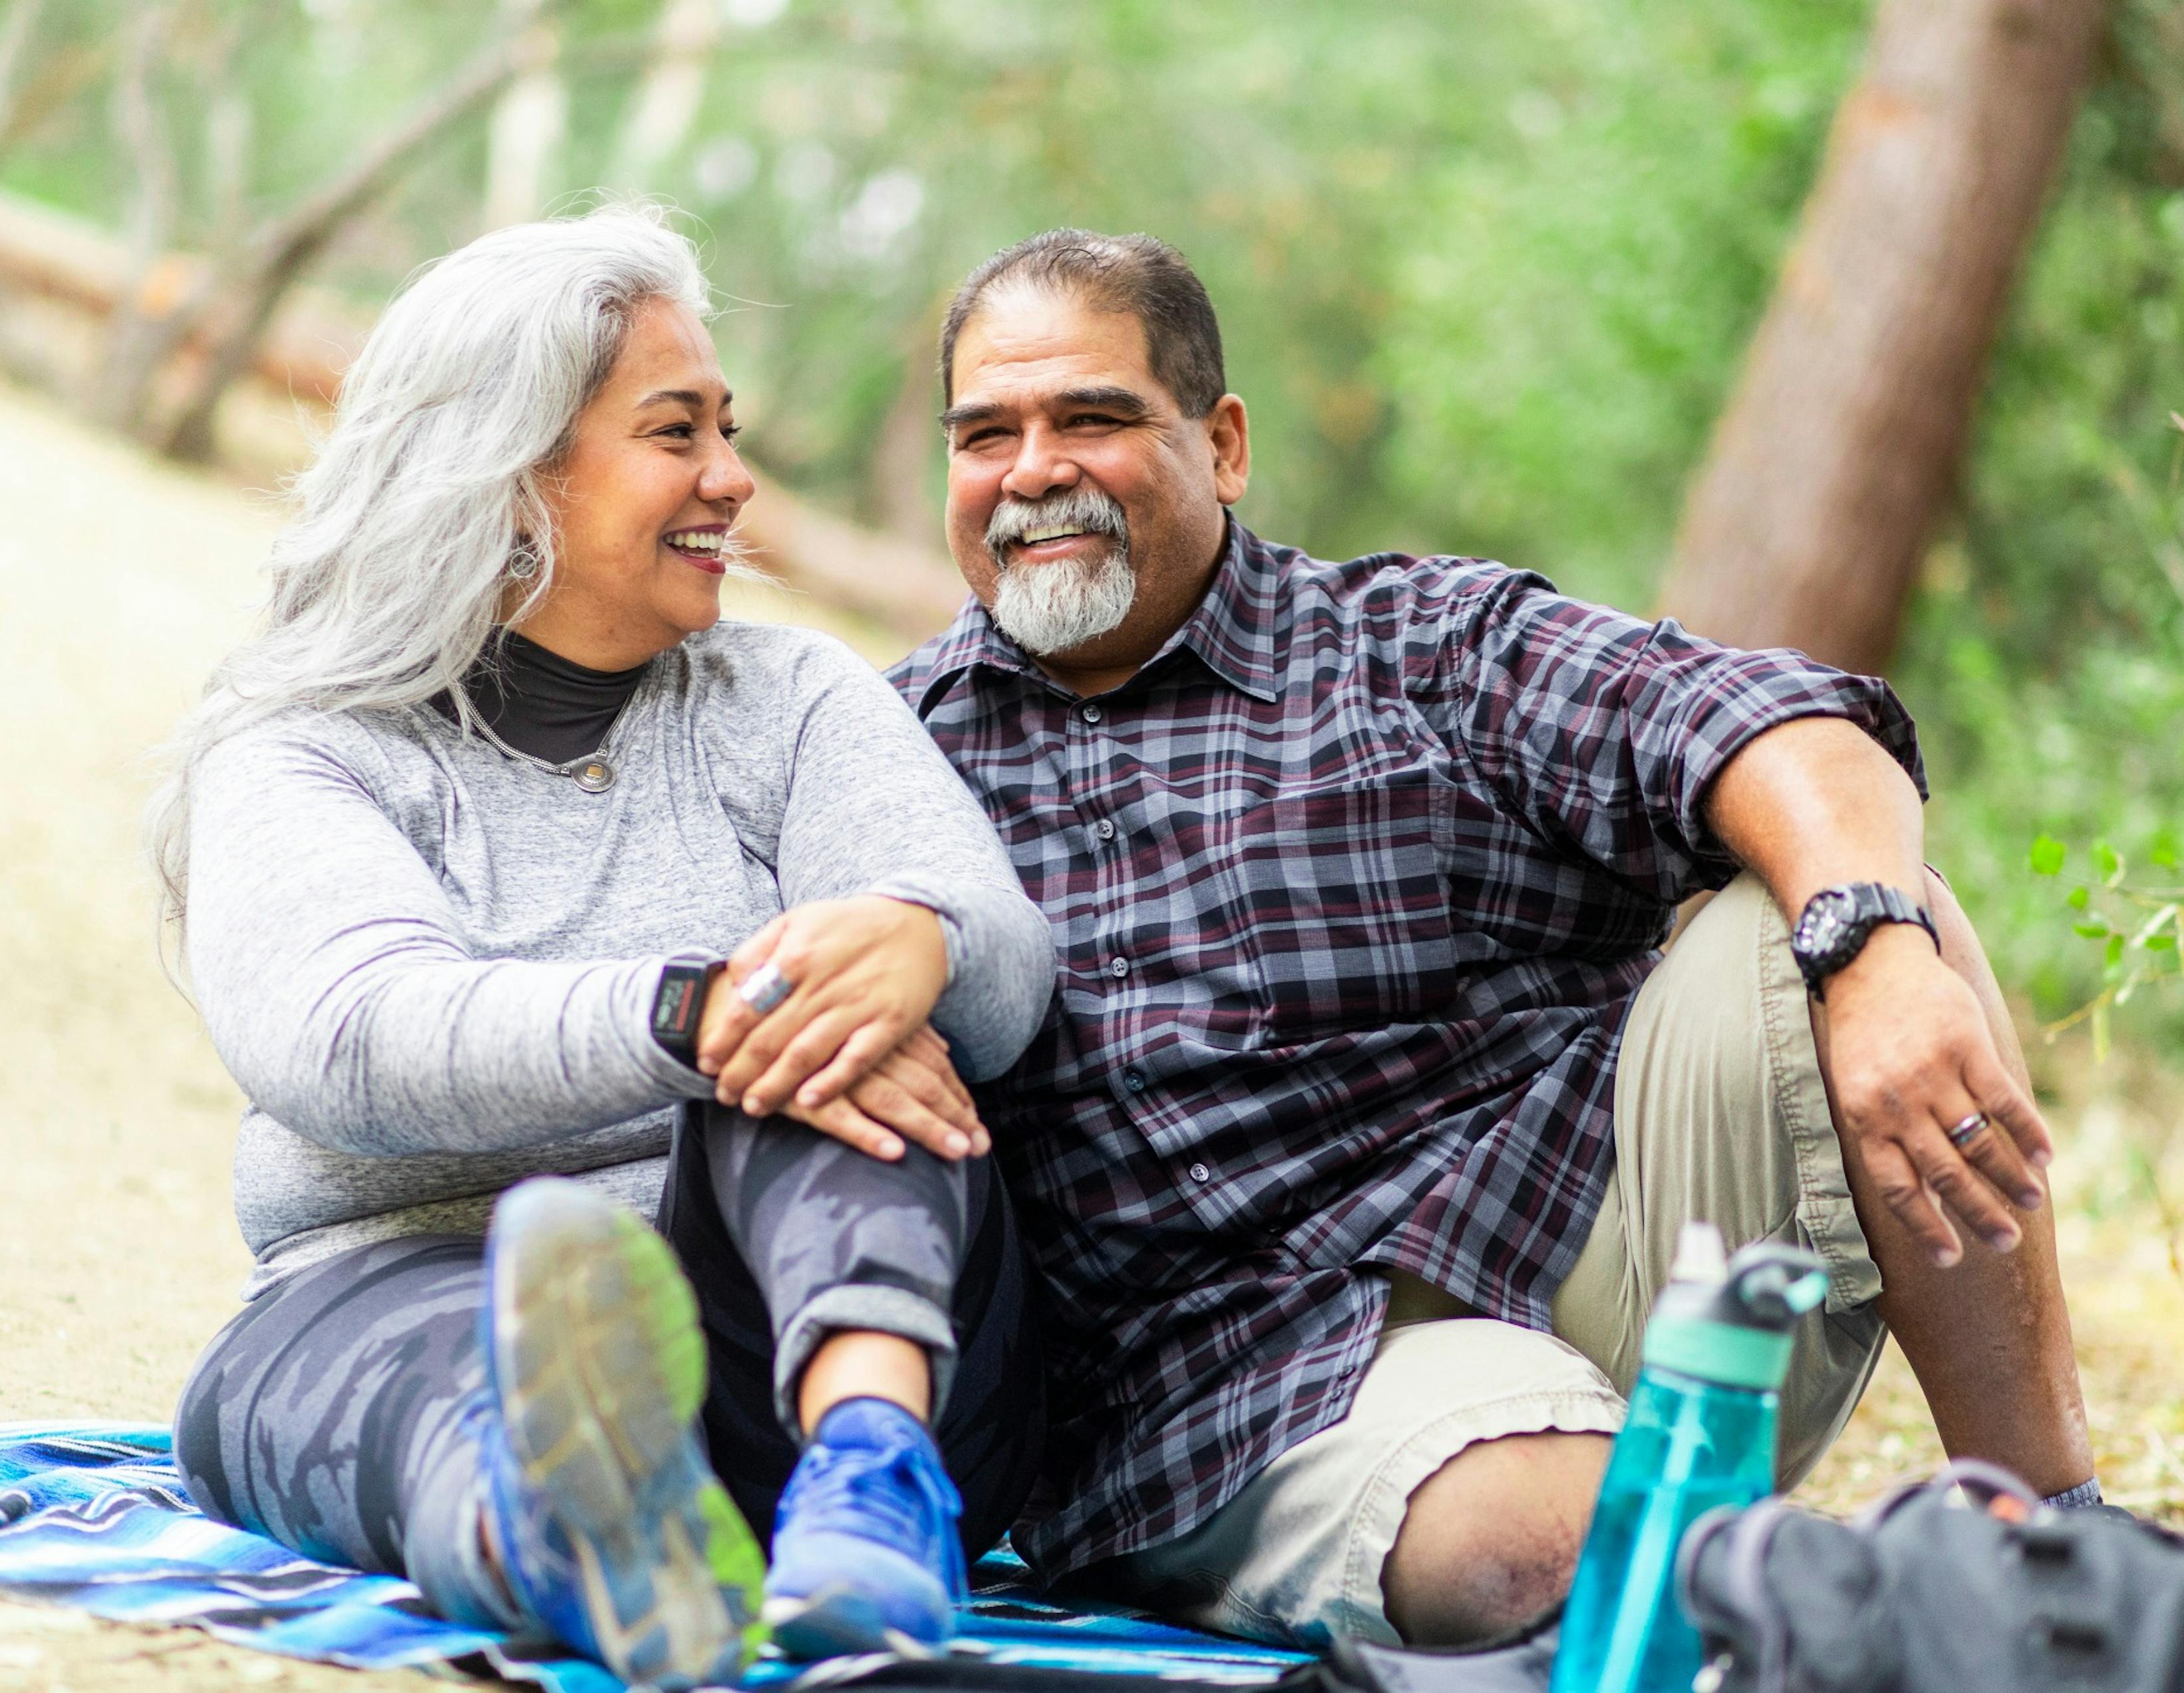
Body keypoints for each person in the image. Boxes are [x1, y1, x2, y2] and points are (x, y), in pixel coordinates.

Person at [889, 230, 2101, 1650]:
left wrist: (1871, 942)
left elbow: (1771, 719)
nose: (1033, 472)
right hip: (1237, 1399)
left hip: (1598, 1243)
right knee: (1560, 1550)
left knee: (1859, 914)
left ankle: (2058, 1545)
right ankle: (1760, 1599)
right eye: (988, 435)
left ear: (1221, 445)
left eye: (1091, 417)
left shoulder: (1412, 645)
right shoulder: (895, 757)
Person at [151, 204, 1053, 1686]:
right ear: (511, 477)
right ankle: (578, 1528)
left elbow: (1000, 964)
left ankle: (873, 1476)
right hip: (396, 1281)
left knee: (835, 1027)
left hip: (828, 1333)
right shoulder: (309, 754)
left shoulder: (789, 699)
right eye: (674, 432)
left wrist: (919, 940)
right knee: (302, 1392)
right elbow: (348, 1036)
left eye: (727, 426)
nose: (732, 477)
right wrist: (688, 1010)